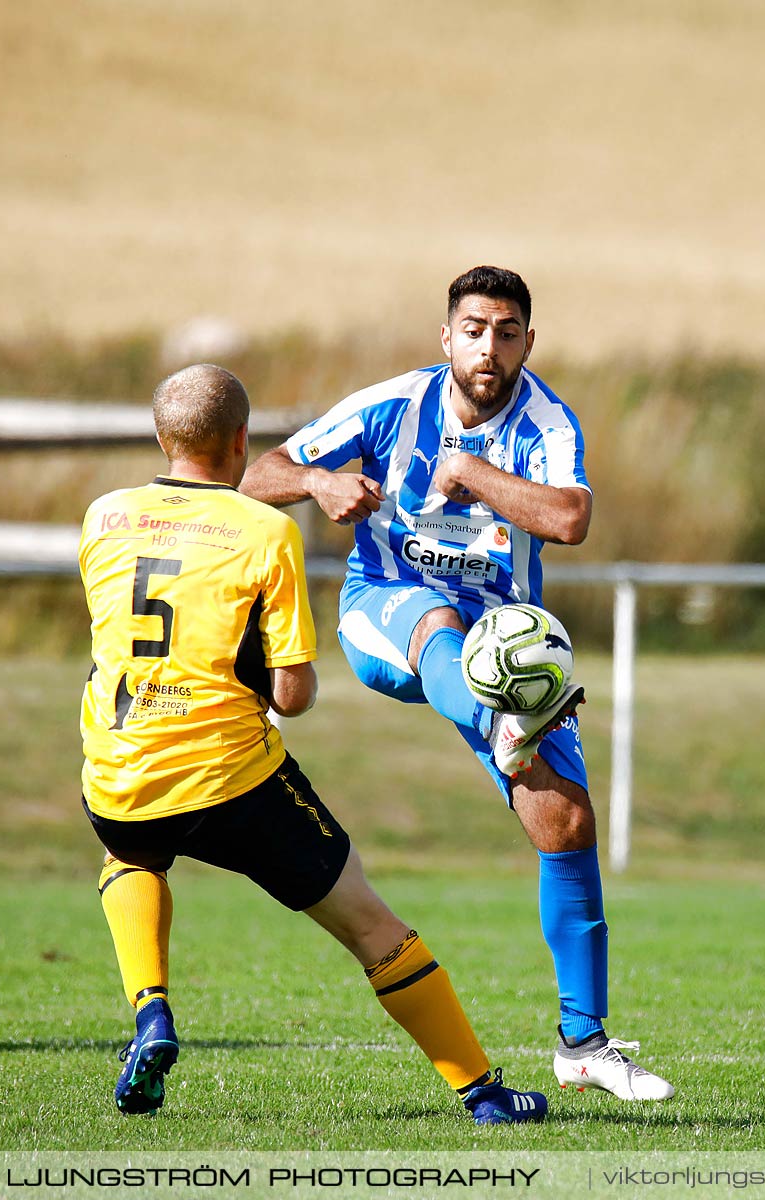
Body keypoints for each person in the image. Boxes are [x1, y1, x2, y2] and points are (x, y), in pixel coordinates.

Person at [241, 267, 675, 1101]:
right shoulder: (389, 405)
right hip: (387, 613)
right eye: (473, 329)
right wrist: (321, 482)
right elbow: (259, 474)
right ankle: (502, 721)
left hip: (504, 635)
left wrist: (470, 472)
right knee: (440, 629)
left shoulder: (545, 420)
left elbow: (570, 518)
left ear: (527, 343)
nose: (489, 346)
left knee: (566, 820)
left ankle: (582, 1044)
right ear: (447, 337)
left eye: (506, 331)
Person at [77, 363, 548, 1124]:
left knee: (130, 855)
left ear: (162, 439)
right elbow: (291, 695)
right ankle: (484, 1092)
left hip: (117, 767)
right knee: (370, 923)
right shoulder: (264, 529)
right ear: (241, 443)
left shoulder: (104, 516)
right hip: (231, 778)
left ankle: (152, 1013)